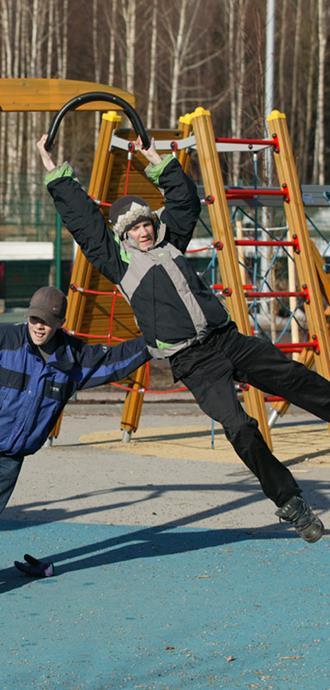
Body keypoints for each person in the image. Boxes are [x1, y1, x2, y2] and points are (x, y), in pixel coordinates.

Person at [37, 133, 330, 544]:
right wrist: (55, 173)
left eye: (144, 223)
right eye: (133, 228)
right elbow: (85, 223)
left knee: (294, 378)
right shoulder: (119, 265)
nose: (142, 232)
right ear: (123, 236)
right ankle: (291, 501)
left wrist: (157, 160)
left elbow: (185, 202)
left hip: (227, 339)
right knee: (239, 427)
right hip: (195, 363)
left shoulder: (172, 241)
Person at [0, 285, 150, 573]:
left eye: (46, 321)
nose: (39, 327)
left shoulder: (73, 358)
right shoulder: (6, 340)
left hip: (11, 457)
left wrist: (153, 344)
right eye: (34, 319)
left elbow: (114, 361)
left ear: (60, 323)